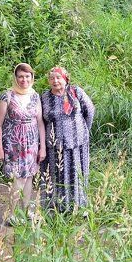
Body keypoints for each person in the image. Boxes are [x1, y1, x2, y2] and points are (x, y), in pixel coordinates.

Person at [0, 63, 45, 222]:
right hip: (13, 143)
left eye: (27, 76)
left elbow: (40, 122)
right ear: (15, 78)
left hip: (31, 142)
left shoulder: (35, 95)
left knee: (29, 176)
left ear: (32, 78)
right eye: (20, 76)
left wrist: (42, 146)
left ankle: (26, 211)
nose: (24, 79)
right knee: (18, 177)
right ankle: (11, 214)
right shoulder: (7, 96)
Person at [40, 66, 95, 212]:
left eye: (58, 77)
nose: (55, 81)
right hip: (54, 145)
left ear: (65, 79)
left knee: (76, 174)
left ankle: (78, 206)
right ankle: (55, 207)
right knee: (55, 175)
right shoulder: (44, 97)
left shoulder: (76, 92)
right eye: (52, 78)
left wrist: (83, 131)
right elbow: (41, 121)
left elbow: (89, 111)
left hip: (77, 144)